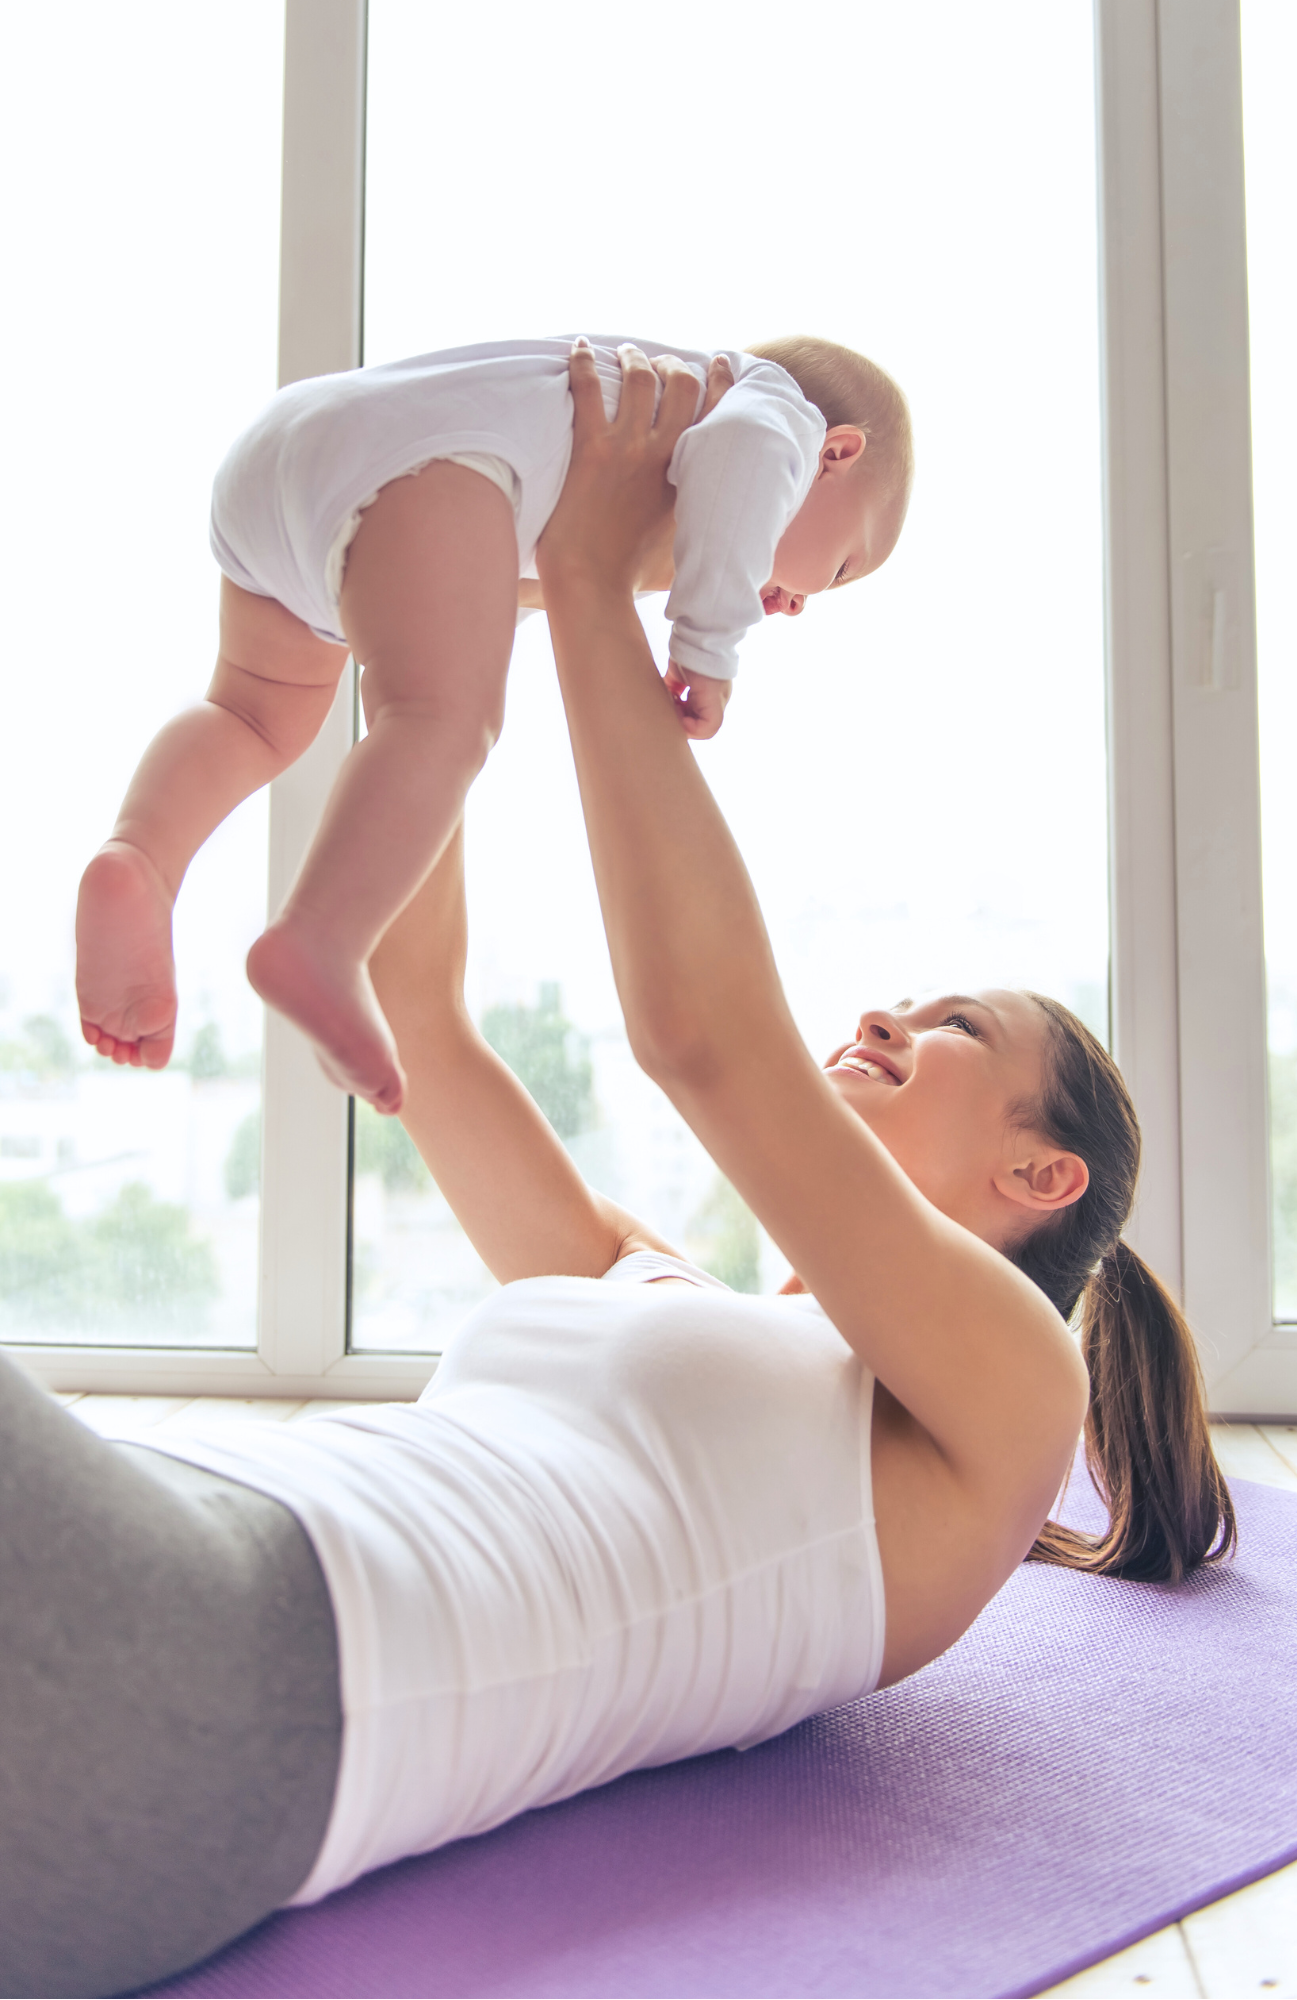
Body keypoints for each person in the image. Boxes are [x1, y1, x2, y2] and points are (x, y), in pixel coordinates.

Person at [0, 347, 1233, 1999]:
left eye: (952, 1025)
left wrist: (592, 576)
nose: (883, 1009)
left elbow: (704, 1043)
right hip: (189, 1533)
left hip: (225, 1677)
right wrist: (438, 595)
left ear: (1039, 1172)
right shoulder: (655, 1283)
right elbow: (422, 1026)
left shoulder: (995, 1405)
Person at [73, 333, 912, 1116]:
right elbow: (744, 468)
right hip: (419, 461)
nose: (802, 605)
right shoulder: (771, 419)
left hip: (286, 459)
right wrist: (707, 648)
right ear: (836, 454)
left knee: (253, 712)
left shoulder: (644, 444)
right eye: (840, 570)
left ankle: (141, 857)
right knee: (444, 717)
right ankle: (321, 936)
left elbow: (493, 588)